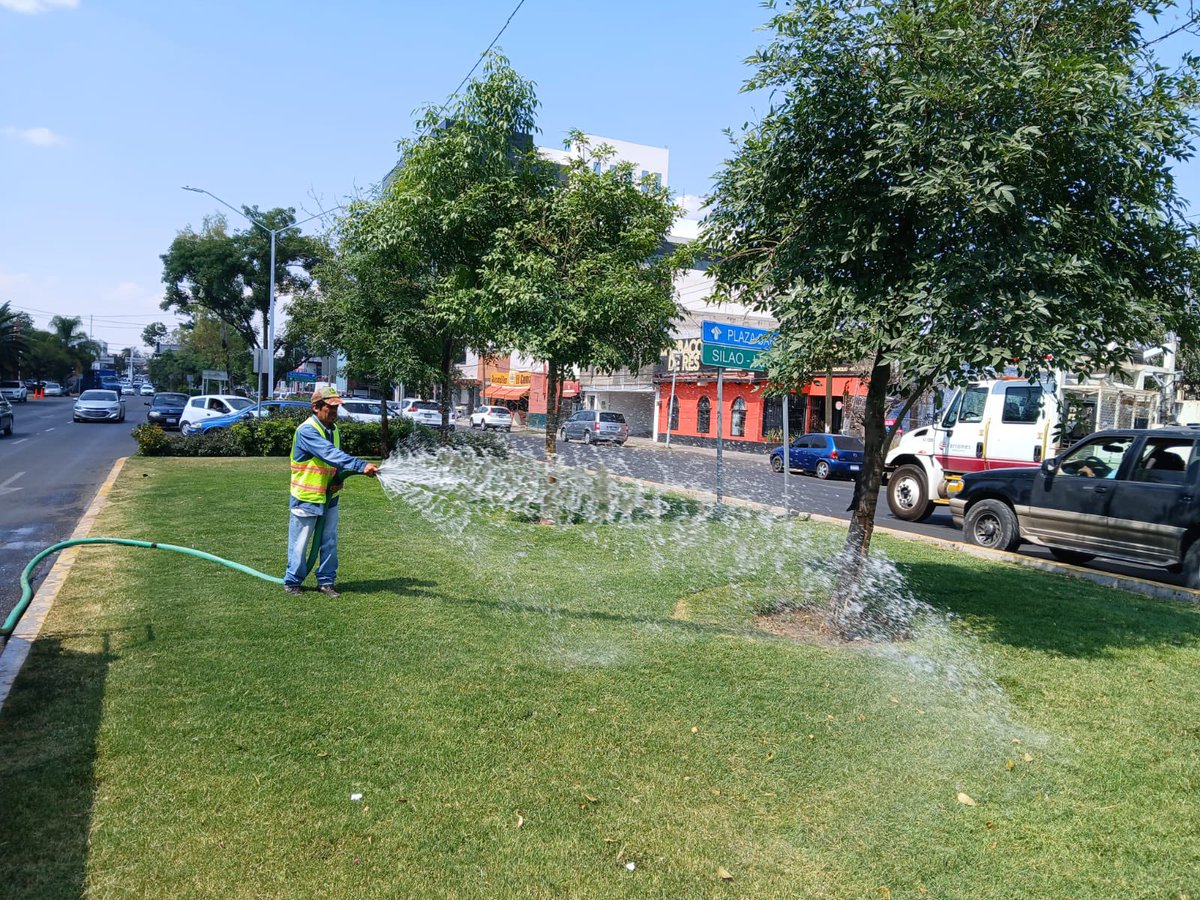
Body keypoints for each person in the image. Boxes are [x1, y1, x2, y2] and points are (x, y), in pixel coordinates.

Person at [284, 385, 379, 597]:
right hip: (307, 496)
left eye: (337, 407)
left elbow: (336, 460)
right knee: (300, 543)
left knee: (329, 540)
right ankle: (292, 582)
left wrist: (338, 478)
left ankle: (326, 582)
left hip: (329, 496)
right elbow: (329, 454)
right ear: (316, 407)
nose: (335, 411)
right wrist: (361, 466)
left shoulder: (334, 430)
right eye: (331, 407)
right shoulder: (307, 431)